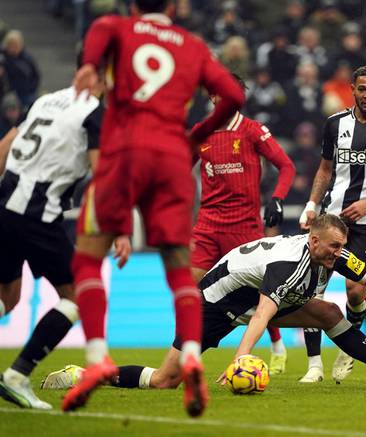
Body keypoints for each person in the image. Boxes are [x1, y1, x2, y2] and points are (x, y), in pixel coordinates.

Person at [63, 0, 245, 416]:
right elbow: (233, 93)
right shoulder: (193, 45)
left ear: (132, 4)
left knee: (87, 260)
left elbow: (96, 35)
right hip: (171, 159)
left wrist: (90, 65)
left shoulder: (115, 26)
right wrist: (199, 131)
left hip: (123, 152)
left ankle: (96, 359)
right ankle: (193, 356)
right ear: (174, 7)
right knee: (180, 268)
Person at [44, 215, 366, 392]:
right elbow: (263, 315)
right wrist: (242, 357)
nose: (339, 253)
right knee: (168, 380)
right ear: (313, 241)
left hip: (248, 297)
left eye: (342, 247)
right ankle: (87, 375)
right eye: (333, 246)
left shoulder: (334, 254)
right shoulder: (288, 266)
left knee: (329, 312)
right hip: (213, 304)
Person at [0, 79, 130, 410]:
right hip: (38, 213)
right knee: (76, 296)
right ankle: (18, 375)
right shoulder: (95, 114)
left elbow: (9, 142)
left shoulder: (45, 100)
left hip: (6, 204)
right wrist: (119, 229)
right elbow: (103, 177)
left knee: (8, 295)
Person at [190, 75, 296, 374]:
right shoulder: (200, 133)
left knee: (262, 292)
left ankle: (277, 345)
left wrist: (277, 198)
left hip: (245, 228)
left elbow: (286, 166)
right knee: (192, 291)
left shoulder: (252, 131)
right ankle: (190, 351)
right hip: (208, 225)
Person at [299, 65, 366, 383]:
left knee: (356, 290)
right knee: (312, 290)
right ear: (352, 89)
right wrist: (312, 204)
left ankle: (348, 348)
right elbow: (325, 170)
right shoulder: (334, 123)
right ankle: (314, 365)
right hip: (332, 219)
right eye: (362, 89)